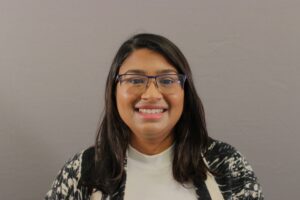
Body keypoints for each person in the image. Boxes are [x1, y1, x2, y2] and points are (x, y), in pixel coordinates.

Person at [45, 33, 264, 200]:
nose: (151, 94)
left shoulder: (227, 165)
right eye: (135, 79)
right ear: (114, 91)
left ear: (184, 92)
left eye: (167, 80)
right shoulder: (82, 171)